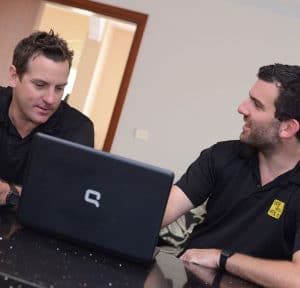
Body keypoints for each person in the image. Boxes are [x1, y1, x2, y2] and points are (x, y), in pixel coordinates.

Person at [162, 63, 300, 287]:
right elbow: (163, 210)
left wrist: (222, 258)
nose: (242, 108)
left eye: (256, 104)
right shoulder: (222, 155)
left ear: (287, 128)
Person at [0, 30, 94, 207]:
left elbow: (68, 199)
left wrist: (8, 193)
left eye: (59, 88)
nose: (50, 99)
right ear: (14, 76)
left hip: (34, 232)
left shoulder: (77, 129)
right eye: (40, 85)